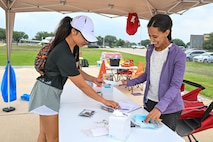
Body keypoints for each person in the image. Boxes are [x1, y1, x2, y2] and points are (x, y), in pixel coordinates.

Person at [28, 15, 120, 142]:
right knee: (53, 138)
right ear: (73, 31)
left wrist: (93, 79)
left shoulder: (74, 48)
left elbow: (76, 70)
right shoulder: (62, 51)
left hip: (48, 92)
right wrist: (104, 101)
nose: (86, 42)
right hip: (46, 94)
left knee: (44, 133)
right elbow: (82, 85)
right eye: (85, 37)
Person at [121, 14, 186, 131]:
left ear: (166, 32)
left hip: (170, 108)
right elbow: (148, 74)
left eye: (155, 36)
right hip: (150, 102)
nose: (152, 40)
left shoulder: (178, 55)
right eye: (150, 36)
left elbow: (175, 86)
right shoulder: (150, 50)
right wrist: (130, 82)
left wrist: (160, 108)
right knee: (146, 135)